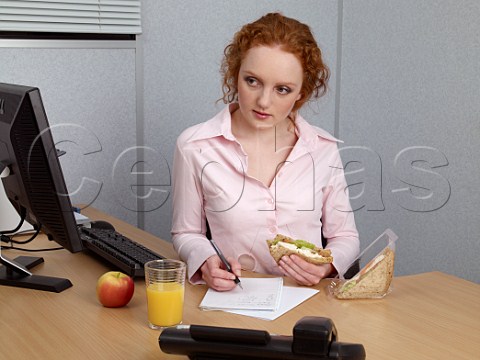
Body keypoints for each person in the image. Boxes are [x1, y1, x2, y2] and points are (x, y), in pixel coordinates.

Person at [172, 12, 359, 291]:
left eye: (283, 89)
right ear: (235, 75)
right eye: (252, 81)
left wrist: (327, 265)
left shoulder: (323, 149)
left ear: (301, 94)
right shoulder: (194, 146)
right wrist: (205, 260)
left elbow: (346, 237)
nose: (263, 101)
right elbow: (186, 233)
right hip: (234, 299)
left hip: (307, 302)